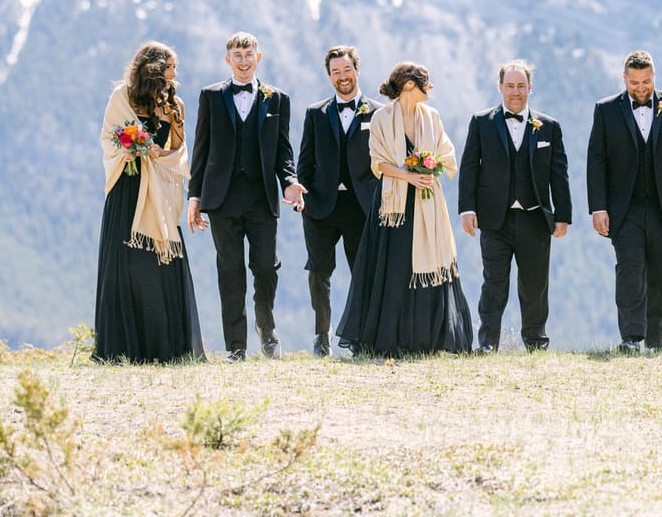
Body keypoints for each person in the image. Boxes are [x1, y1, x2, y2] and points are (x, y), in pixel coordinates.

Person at [337, 61, 473, 355]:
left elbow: (447, 154)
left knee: (429, 263)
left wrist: (432, 166)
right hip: (394, 205)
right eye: (426, 82)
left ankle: (426, 340)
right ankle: (393, 339)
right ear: (410, 85)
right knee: (396, 268)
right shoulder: (381, 119)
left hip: (427, 200)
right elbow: (379, 163)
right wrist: (409, 174)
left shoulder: (432, 116)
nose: (431, 88)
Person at [186, 32, 298, 361]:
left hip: (263, 197)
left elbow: (283, 150)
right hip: (221, 198)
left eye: (249, 55)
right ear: (228, 60)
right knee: (230, 270)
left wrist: (289, 181)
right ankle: (236, 346)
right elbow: (201, 148)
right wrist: (194, 196)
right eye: (238, 55)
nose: (244, 61)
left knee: (265, 267)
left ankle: (266, 325)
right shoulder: (210, 95)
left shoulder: (277, 99)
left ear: (258, 58)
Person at [94, 41, 204, 363]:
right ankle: (124, 348)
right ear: (153, 69)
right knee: (126, 266)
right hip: (127, 190)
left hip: (159, 193)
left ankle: (165, 347)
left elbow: (180, 150)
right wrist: (130, 148)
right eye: (169, 67)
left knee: (160, 264)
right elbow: (108, 137)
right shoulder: (122, 98)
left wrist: (156, 153)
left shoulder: (175, 105)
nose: (174, 74)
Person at [587, 50, 662, 352]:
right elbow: (595, 161)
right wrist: (598, 208)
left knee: (659, 276)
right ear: (624, 78)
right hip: (624, 210)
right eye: (634, 82)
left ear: (654, 77)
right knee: (629, 271)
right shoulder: (606, 110)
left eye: (646, 81)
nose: (640, 87)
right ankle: (631, 338)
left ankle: (656, 342)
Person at [457, 59, 572, 352]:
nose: (515, 92)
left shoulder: (549, 126)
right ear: (500, 87)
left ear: (530, 88)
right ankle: (487, 344)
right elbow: (469, 167)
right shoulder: (481, 122)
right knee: (493, 283)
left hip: (535, 219)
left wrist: (563, 216)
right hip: (495, 219)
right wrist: (467, 209)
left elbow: (559, 174)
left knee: (535, 284)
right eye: (510, 86)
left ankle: (536, 342)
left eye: (521, 86)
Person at [286, 46, 383, 356]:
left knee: (362, 271)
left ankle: (360, 338)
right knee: (319, 271)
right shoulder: (316, 113)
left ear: (357, 69)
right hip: (319, 205)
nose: (343, 76)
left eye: (347, 69)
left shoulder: (379, 112)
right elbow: (305, 159)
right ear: (329, 76)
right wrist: (300, 192)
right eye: (336, 72)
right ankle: (321, 336)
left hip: (361, 206)